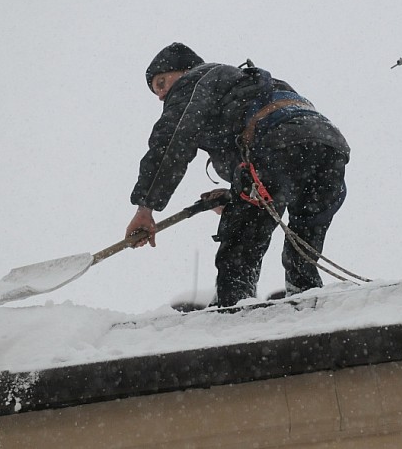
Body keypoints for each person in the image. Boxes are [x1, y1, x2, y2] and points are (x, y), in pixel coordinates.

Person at [126, 42, 350, 307]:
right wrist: (235, 194)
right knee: (304, 245)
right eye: (156, 91)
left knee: (240, 248)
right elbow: (264, 154)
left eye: (162, 83)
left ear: (186, 70)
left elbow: (172, 143)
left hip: (276, 146)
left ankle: (235, 314)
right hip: (328, 149)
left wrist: (146, 206)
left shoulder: (195, 81)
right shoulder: (244, 84)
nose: (162, 95)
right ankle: (307, 302)